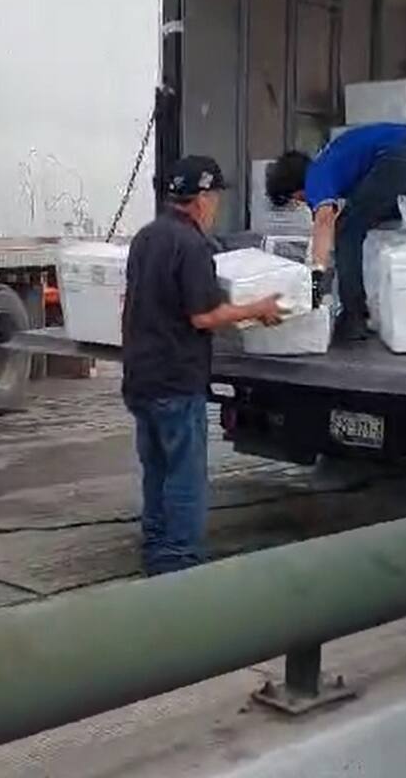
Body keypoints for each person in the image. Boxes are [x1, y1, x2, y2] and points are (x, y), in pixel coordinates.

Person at [122, 155, 282, 576]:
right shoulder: (192, 245)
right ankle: (180, 560)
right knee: (185, 475)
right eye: (215, 198)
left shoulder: (146, 237)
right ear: (202, 198)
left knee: (156, 470)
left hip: (141, 377)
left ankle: (156, 549)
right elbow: (203, 316)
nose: (216, 208)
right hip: (176, 379)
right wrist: (257, 309)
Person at [265, 123, 406, 340]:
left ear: (296, 187)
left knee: (346, 229)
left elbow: (325, 221)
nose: (304, 204)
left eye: (296, 200)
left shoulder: (316, 174)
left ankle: (353, 317)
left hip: (404, 154)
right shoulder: (333, 160)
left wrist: (316, 276)